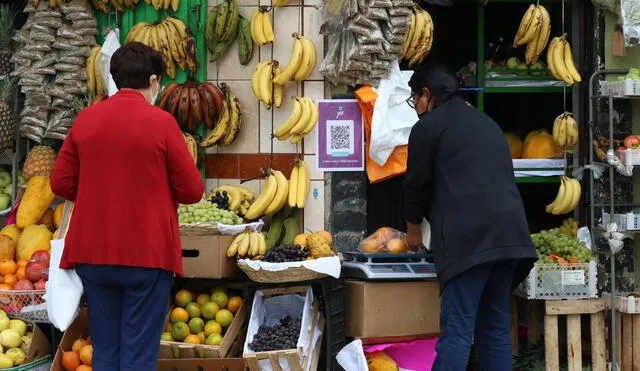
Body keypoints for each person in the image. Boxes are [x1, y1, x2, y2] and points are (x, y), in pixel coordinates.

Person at [50, 42, 204, 371]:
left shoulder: (86, 120)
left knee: (105, 351)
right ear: (152, 80)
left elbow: (61, 184)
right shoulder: (162, 123)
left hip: (92, 254)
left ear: (116, 78)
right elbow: (192, 191)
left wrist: (98, 188)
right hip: (146, 255)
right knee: (137, 356)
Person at [403, 65, 537, 371]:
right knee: (494, 329)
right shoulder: (486, 123)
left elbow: (415, 186)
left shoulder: (428, 127)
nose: (416, 109)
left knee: (458, 331)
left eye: (415, 100)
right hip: (510, 237)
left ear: (427, 94)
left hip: (470, 241)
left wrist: (412, 234)